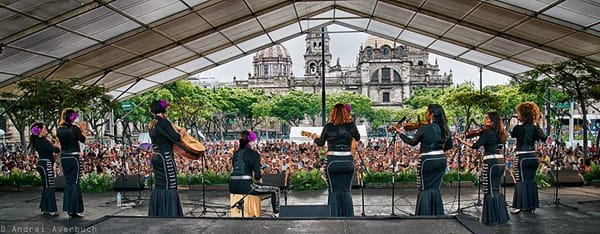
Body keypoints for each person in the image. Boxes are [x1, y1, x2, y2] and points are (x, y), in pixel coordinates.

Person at [393, 104, 452, 216]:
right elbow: (449, 146)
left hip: (427, 161)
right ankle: (437, 213)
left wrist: (400, 133)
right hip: (441, 160)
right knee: (435, 187)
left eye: (426, 112)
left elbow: (412, 142)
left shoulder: (424, 128)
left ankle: (423, 214)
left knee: (424, 188)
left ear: (431, 114)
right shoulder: (445, 128)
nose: (425, 115)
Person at [456, 112, 510, 225]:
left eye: (487, 118)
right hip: (500, 161)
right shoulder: (501, 132)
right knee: (496, 189)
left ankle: (492, 218)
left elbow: (476, 146)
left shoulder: (487, 132)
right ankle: (501, 216)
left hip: (490, 161)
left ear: (492, 121)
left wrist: (462, 141)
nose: (485, 120)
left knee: (489, 189)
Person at [314, 103, 360, 217]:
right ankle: (349, 215)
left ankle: (334, 216)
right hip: (348, 162)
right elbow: (358, 137)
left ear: (333, 113)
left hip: (333, 162)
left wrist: (315, 138)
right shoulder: (351, 125)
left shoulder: (328, 126)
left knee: (334, 190)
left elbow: (320, 143)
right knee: (346, 190)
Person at [147, 99, 185, 217]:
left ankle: (158, 212)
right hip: (165, 157)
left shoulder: (151, 124)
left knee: (160, 185)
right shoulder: (164, 122)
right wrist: (182, 132)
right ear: (163, 110)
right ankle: (170, 213)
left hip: (156, 156)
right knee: (170, 185)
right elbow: (176, 138)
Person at [229, 130, 280, 215]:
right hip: (246, 187)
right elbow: (257, 176)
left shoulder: (235, 154)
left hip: (232, 186)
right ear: (250, 142)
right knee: (275, 189)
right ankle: (276, 214)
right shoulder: (254, 154)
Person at [510, 102, 547, 214]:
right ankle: (531, 205)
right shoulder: (535, 128)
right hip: (533, 156)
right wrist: (536, 124)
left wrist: (515, 123)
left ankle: (521, 205)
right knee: (531, 181)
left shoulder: (518, 128)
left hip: (522, 156)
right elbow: (544, 137)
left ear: (523, 115)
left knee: (520, 180)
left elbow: (512, 134)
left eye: (519, 114)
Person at [56, 108, 86, 218]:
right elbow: (82, 139)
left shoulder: (59, 129)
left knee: (68, 182)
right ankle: (74, 209)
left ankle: (68, 209)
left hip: (64, 157)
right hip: (74, 156)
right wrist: (83, 129)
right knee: (75, 182)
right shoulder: (75, 128)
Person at [30, 122, 61, 217]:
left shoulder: (38, 140)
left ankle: (45, 208)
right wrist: (58, 145)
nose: (46, 130)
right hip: (46, 164)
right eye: (44, 128)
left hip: (43, 163)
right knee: (49, 186)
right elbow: (55, 150)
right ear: (40, 131)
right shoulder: (42, 141)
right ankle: (51, 209)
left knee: (47, 186)